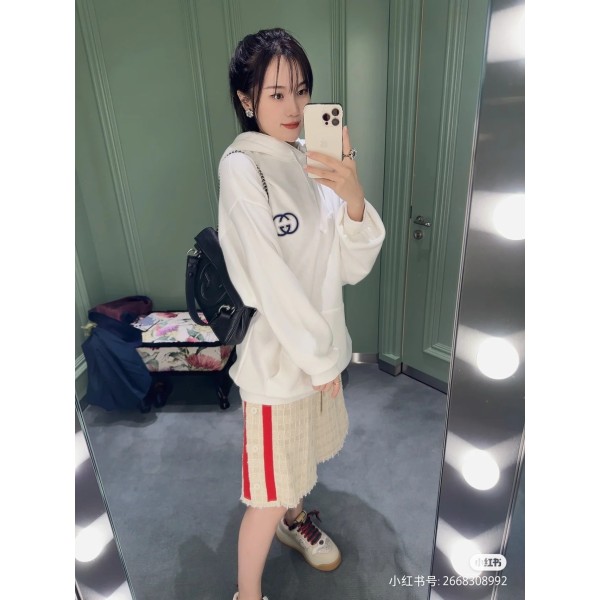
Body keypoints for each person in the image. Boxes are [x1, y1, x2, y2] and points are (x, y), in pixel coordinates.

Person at [218, 28, 386, 600]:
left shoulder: (312, 159)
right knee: (267, 492)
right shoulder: (243, 168)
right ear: (247, 99)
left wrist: (353, 197)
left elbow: (348, 266)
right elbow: (267, 278)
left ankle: (297, 520)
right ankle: (247, 593)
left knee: (297, 465)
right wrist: (319, 361)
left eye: (302, 90)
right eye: (276, 93)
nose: (293, 107)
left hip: (319, 351)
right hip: (278, 362)